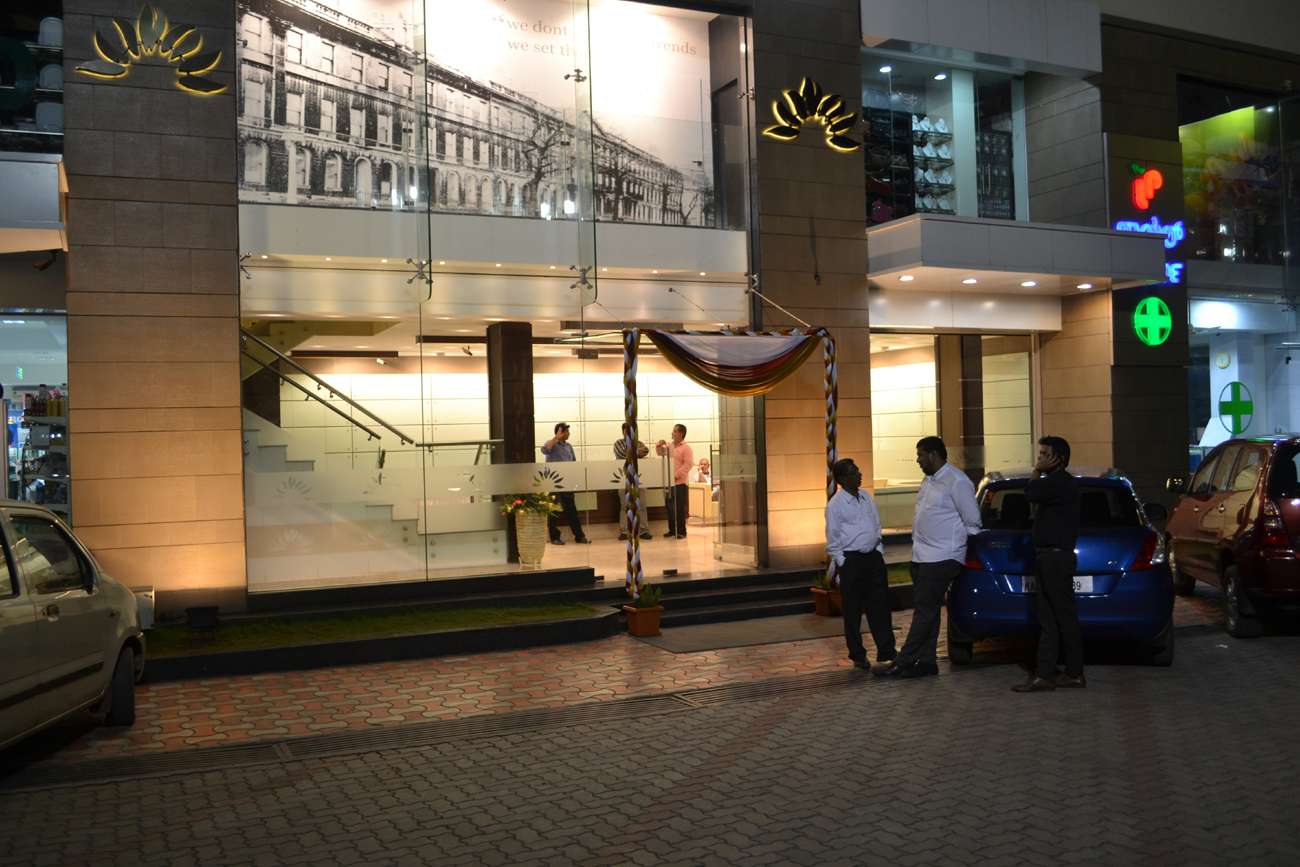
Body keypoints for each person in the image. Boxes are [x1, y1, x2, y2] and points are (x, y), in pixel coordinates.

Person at [877, 436, 981, 679]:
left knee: (924, 610)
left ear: (934, 454)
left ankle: (903, 661)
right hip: (922, 557)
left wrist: (957, 551)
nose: (917, 460)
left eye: (921, 455)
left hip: (943, 557)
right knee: (930, 610)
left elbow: (973, 522)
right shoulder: (929, 481)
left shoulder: (956, 481)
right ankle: (927, 662)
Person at [1013, 435, 1084, 693]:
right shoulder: (1056, 483)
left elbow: (1030, 492)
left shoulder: (1059, 483)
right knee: (1050, 618)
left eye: (1045, 454)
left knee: (1062, 617)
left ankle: (1072, 673)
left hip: (1055, 559)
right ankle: (1048, 674)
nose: (1040, 458)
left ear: (1059, 459)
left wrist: (1036, 472)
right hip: (1047, 557)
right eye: (1040, 454)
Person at [826, 457, 897, 671]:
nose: (859, 474)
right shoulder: (835, 505)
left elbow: (876, 525)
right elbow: (833, 537)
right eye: (854, 471)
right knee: (853, 611)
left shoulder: (866, 497)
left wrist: (878, 550)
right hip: (852, 561)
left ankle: (887, 651)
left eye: (858, 470)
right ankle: (857, 654)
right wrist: (843, 562)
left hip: (873, 559)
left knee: (880, 607)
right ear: (842, 478)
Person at [540, 422, 590, 545]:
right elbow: (544, 450)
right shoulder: (552, 444)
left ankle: (579, 536)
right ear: (559, 432)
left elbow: (573, 462)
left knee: (572, 510)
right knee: (554, 511)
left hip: (567, 483)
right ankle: (554, 537)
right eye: (566, 431)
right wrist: (556, 438)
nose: (568, 434)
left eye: (568, 431)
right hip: (553, 483)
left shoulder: (569, 446)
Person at [613, 423, 653, 542]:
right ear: (623, 432)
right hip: (623, 479)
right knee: (625, 506)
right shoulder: (618, 443)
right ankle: (624, 531)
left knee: (642, 506)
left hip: (639, 479)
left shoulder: (639, 443)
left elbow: (646, 450)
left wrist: (632, 452)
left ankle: (644, 530)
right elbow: (621, 453)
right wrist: (636, 452)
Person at [656, 424, 693, 539]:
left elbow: (688, 464)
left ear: (681, 433)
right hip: (669, 483)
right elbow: (660, 453)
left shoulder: (686, 448)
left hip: (680, 483)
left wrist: (676, 475)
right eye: (673, 431)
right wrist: (658, 445)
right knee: (669, 508)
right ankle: (672, 530)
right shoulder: (670, 446)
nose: (672, 433)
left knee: (679, 508)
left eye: (675, 431)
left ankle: (681, 532)